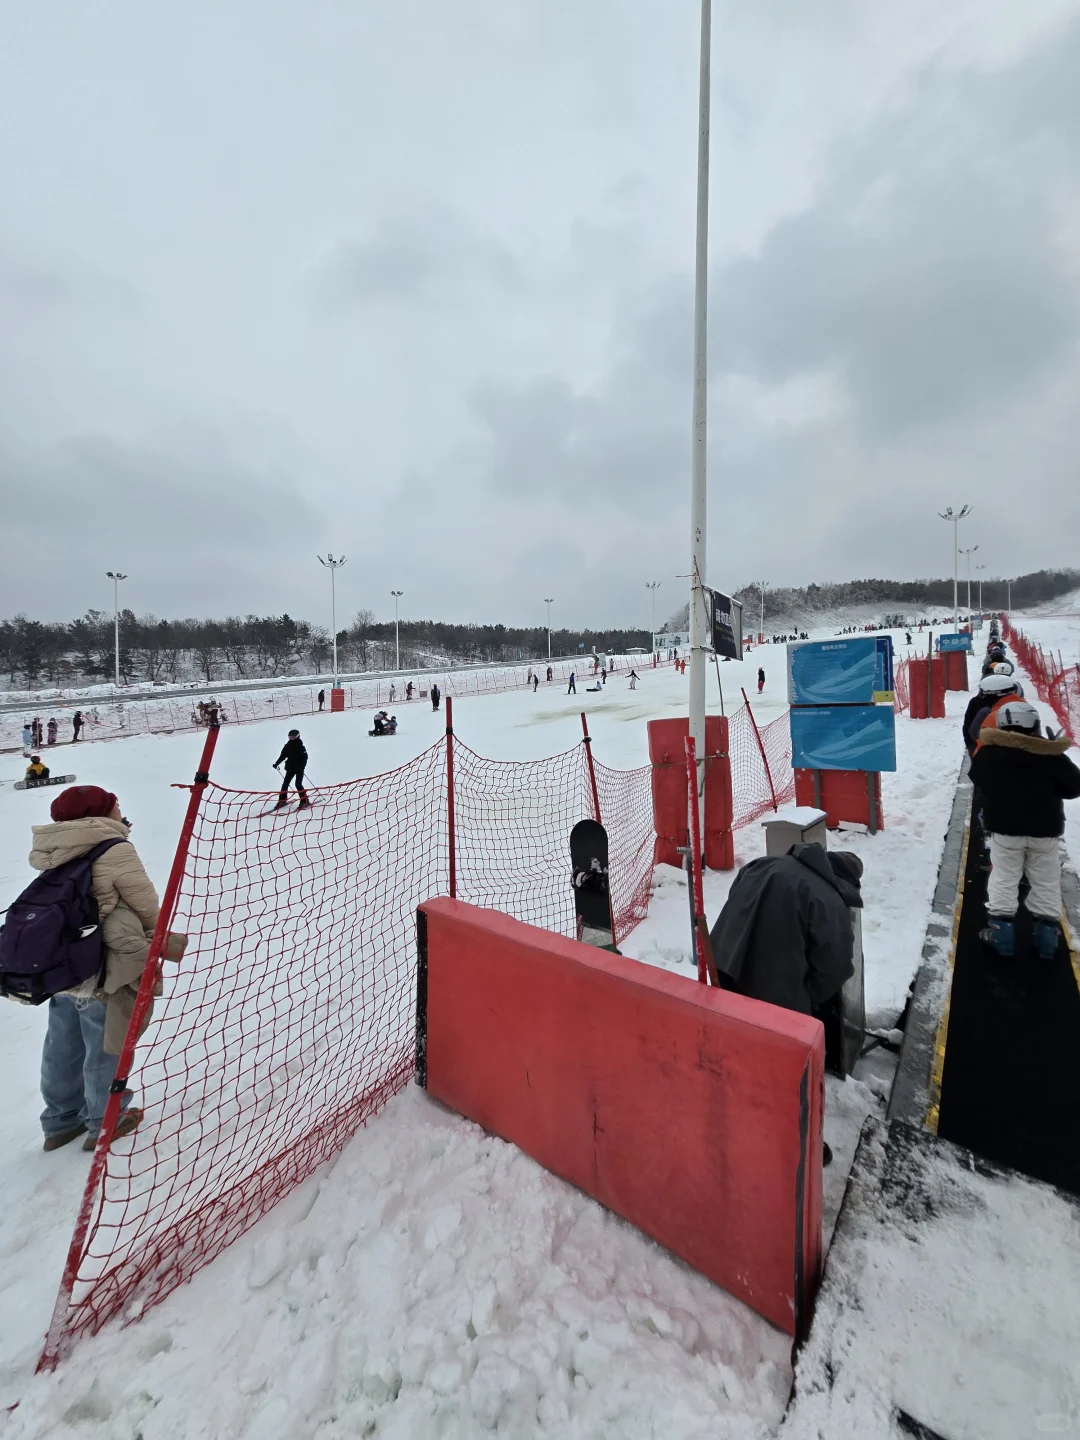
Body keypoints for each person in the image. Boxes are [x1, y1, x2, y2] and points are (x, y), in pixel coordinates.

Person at [33, 785, 162, 1152]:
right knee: (105, 1044)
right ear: (100, 813)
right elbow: (146, 906)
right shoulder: (114, 847)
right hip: (102, 966)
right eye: (115, 805)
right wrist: (156, 946)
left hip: (60, 963)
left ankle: (59, 1122)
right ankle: (106, 1120)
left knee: (62, 1045)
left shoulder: (53, 845)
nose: (120, 810)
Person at [968, 701, 1080, 958]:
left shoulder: (991, 754)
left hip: (1005, 829)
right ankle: (1046, 937)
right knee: (1046, 880)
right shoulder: (1051, 756)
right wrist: (1053, 754)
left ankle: (1001, 933)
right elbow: (1074, 787)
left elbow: (977, 776)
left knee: (1004, 878)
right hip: (1045, 830)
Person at [709, 844, 863, 1017]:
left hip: (724, 966)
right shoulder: (830, 900)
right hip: (776, 999)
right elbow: (835, 968)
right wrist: (808, 996)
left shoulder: (762, 863)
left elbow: (735, 897)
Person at [962, 673, 1022, 757]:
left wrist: (972, 748)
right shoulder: (1023, 707)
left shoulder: (985, 710)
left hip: (986, 755)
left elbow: (972, 730)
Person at [273, 729, 309, 809]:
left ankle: (304, 801)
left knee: (298, 784)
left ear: (297, 737)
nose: (291, 739)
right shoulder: (287, 746)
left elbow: (305, 758)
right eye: (290, 737)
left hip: (299, 769)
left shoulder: (301, 747)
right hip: (290, 768)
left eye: (293, 737)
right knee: (285, 784)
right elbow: (283, 756)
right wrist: (276, 763)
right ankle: (282, 800)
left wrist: (301, 767)